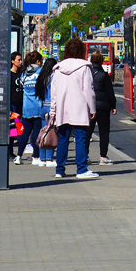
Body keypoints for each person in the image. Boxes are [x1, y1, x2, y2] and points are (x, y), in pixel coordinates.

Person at [48, 39, 97, 179]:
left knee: (63, 138)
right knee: (80, 138)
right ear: (81, 51)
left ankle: (59, 170)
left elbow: (54, 93)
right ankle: (81, 170)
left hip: (62, 108)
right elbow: (88, 90)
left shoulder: (58, 68)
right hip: (80, 108)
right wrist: (92, 109)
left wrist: (53, 110)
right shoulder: (84, 67)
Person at [15, 52, 44, 164]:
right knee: (36, 133)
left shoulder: (24, 73)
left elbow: (21, 87)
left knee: (24, 133)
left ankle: (18, 156)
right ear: (37, 62)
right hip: (38, 107)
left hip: (26, 107)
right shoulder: (40, 73)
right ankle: (36, 156)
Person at [88, 52, 116, 165]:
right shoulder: (103, 75)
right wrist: (113, 106)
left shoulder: (87, 74)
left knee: (87, 133)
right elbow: (110, 92)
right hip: (103, 107)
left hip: (90, 107)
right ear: (101, 61)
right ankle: (103, 157)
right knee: (104, 133)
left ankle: (85, 156)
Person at [34, 57, 58, 168]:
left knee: (43, 132)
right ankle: (49, 158)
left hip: (42, 106)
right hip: (51, 107)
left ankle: (42, 158)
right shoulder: (54, 77)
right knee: (51, 132)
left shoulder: (42, 77)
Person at [8, 52, 24, 123]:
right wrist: (9, 108)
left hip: (21, 103)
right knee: (14, 125)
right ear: (12, 61)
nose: (20, 62)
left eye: (21, 60)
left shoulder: (21, 74)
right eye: (18, 60)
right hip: (13, 104)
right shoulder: (10, 74)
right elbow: (9, 91)